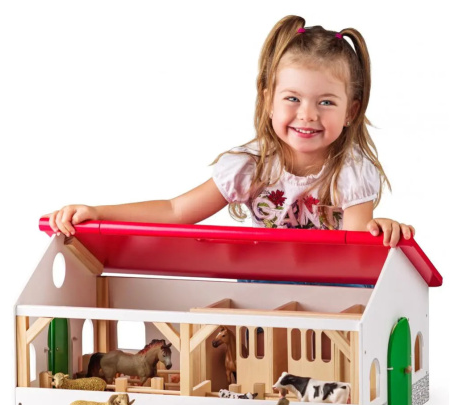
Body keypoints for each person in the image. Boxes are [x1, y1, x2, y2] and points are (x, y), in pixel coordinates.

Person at [46, 16, 414, 247]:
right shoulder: (249, 167)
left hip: (331, 293)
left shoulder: (351, 172)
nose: (308, 115)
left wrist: (379, 230)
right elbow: (176, 211)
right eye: (292, 98)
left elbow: (356, 250)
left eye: (326, 102)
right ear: (269, 101)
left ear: (351, 111)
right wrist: (98, 211)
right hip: (262, 288)